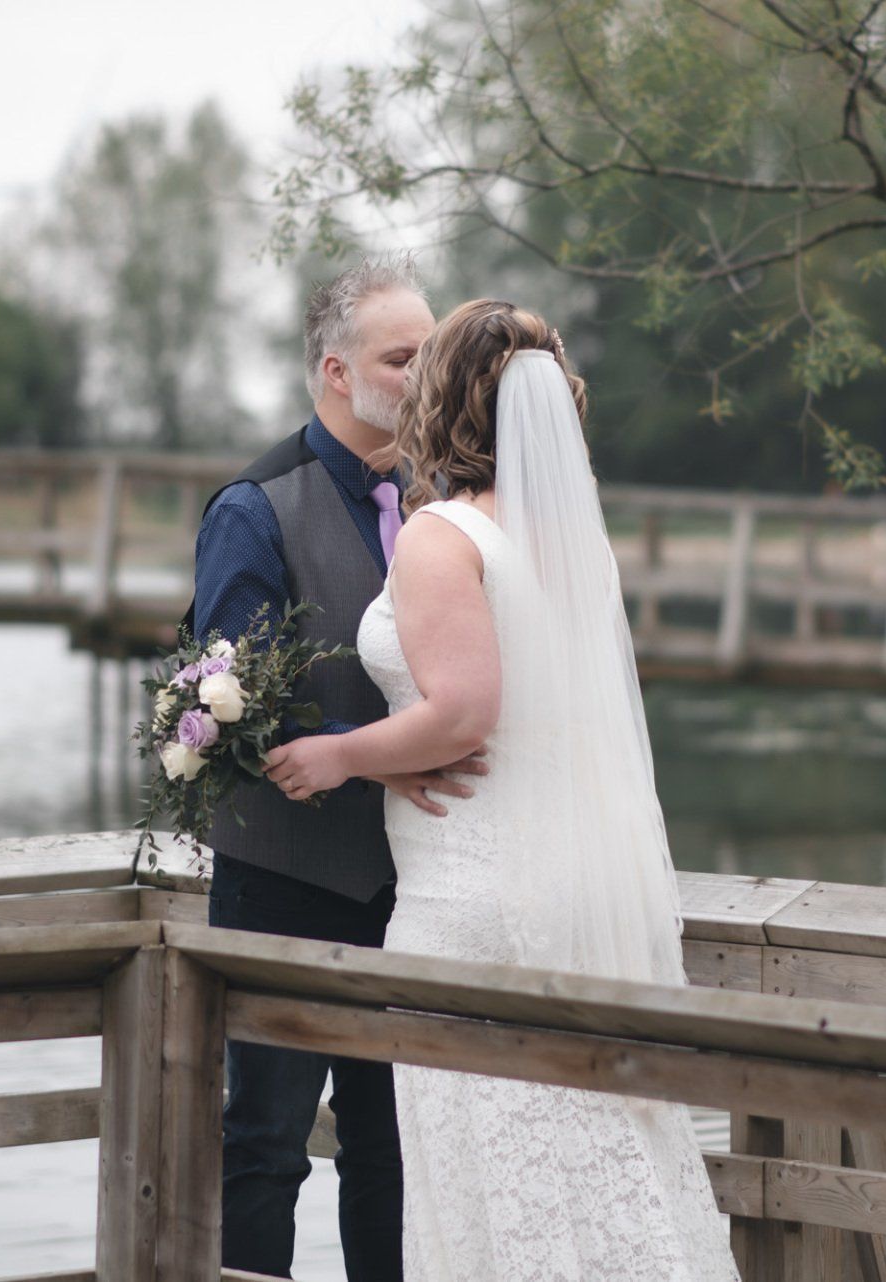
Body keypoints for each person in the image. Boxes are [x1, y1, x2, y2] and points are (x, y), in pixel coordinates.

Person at [261, 299, 741, 1280]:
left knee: (483, 1159)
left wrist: (341, 755)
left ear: (443, 402)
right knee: (589, 1146)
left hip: (473, 891)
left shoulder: (443, 535)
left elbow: (466, 710)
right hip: (564, 873)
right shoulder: (571, 540)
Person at [186, 257, 482, 1282]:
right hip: (285, 879)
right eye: (403, 356)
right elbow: (231, 703)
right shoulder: (255, 507)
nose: (423, 374)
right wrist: (374, 764)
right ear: (335, 370)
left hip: (410, 889)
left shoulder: (442, 506)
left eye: (432, 354)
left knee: (393, 1146)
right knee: (265, 1146)